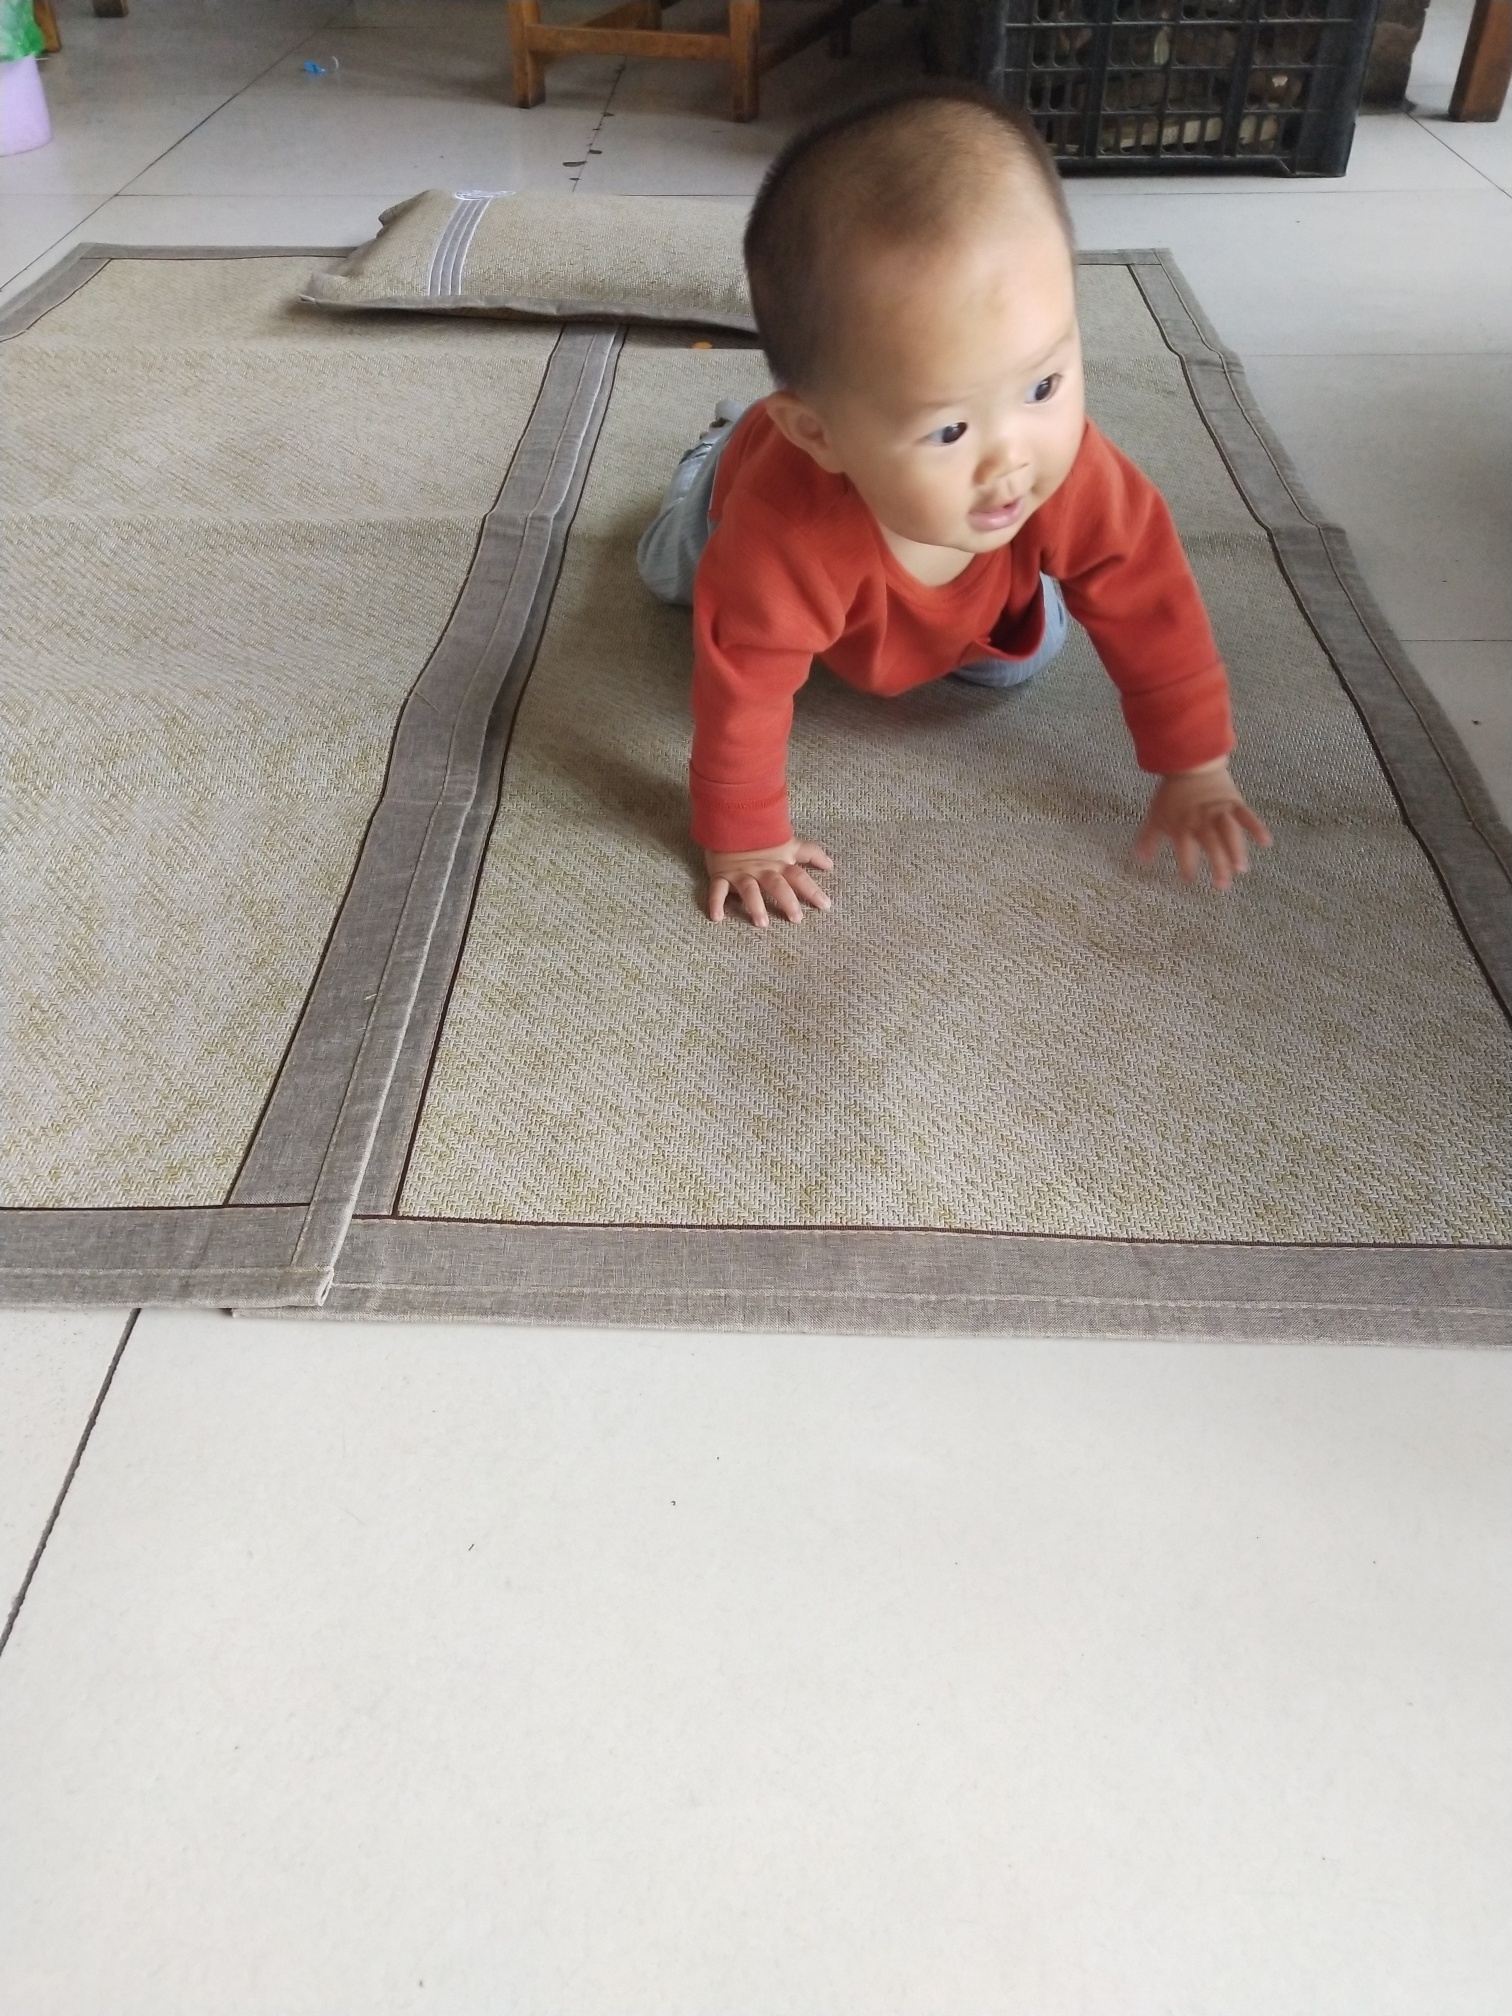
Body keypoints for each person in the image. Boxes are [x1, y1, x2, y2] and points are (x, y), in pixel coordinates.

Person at [637, 83, 1271, 927]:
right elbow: (743, 688)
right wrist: (745, 836)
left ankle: (958, 562)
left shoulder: (1066, 469)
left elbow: (1146, 592)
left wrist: (1194, 763)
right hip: (738, 510)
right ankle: (713, 450)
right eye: (948, 430)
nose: (1012, 459)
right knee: (672, 578)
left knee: (1021, 659)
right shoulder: (778, 534)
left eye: (1042, 386)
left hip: (947, 589)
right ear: (819, 433)